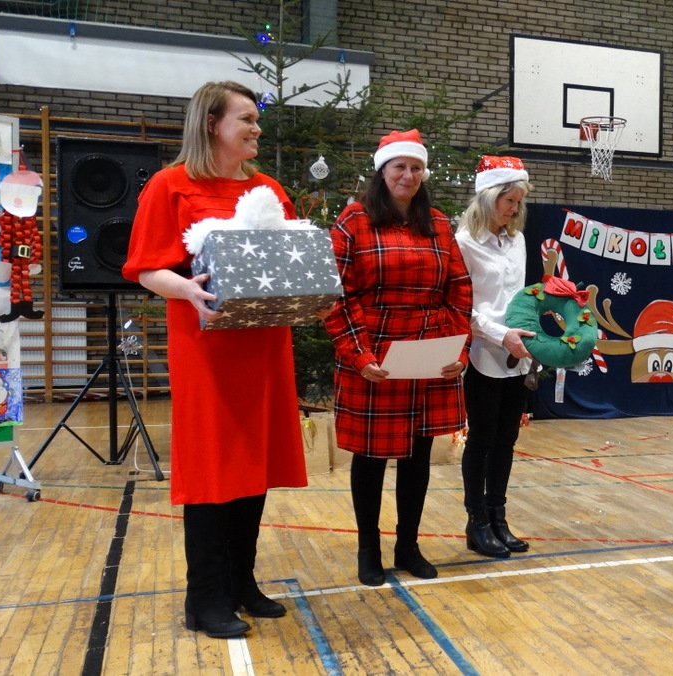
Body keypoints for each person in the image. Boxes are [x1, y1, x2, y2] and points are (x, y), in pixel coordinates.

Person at [123, 81, 307, 638]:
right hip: (206, 350)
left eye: (256, 119)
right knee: (210, 469)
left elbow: (289, 260)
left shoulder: (269, 189)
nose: (256, 128)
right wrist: (187, 289)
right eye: (246, 119)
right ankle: (203, 598)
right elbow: (145, 268)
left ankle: (240, 582)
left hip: (264, 345)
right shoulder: (170, 185)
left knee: (254, 464)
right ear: (212, 123)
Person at [324, 129, 472, 586]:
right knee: (369, 458)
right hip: (374, 353)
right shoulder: (353, 221)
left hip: (428, 351)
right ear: (382, 171)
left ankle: (408, 545)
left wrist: (459, 347)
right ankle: (368, 549)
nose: (408, 175)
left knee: (418, 456)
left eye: (416, 167)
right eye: (399, 167)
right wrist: (358, 353)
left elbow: (459, 289)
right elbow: (337, 294)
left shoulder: (439, 224)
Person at [455, 156, 535, 558]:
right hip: (483, 354)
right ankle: (477, 522)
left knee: (507, 440)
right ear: (489, 198)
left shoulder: (517, 240)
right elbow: (461, 307)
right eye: (510, 201)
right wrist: (501, 334)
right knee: (482, 440)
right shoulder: (464, 242)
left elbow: (518, 298)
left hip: (517, 355)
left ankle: (498, 517)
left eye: (519, 202)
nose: (515, 209)